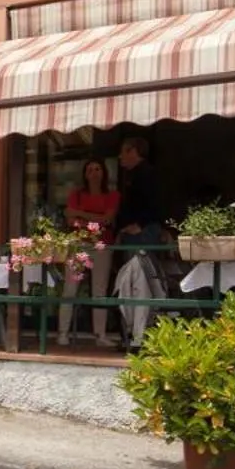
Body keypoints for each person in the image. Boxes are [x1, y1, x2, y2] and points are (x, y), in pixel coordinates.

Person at [58, 158, 120, 347]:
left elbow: (108, 219)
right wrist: (96, 221)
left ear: (104, 173)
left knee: (100, 290)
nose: (94, 172)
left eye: (98, 168)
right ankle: (62, 332)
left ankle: (100, 335)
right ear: (85, 174)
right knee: (70, 288)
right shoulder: (76, 194)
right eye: (90, 169)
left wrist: (81, 215)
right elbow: (70, 221)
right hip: (79, 245)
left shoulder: (113, 195)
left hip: (102, 245)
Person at [115, 137, 163, 247]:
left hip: (143, 233)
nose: (120, 156)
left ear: (133, 151)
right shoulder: (132, 175)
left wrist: (140, 225)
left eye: (122, 152)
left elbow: (155, 202)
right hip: (135, 231)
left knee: (140, 263)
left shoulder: (147, 174)